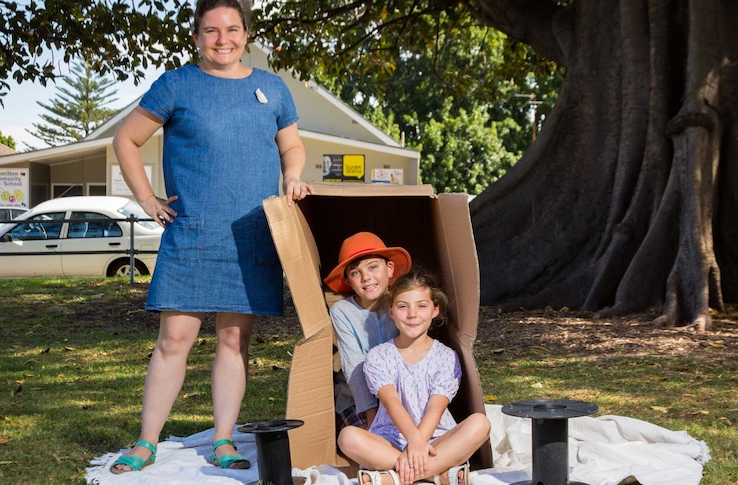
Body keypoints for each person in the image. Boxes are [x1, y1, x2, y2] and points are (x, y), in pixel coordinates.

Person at [109, 0, 314, 474]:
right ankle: (146, 442)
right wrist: (147, 200)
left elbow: (293, 145)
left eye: (232, 29)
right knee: (174, 339)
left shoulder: (272, 87)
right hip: (193, 233)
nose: (223, 39)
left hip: (252, 236)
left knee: (233, 341)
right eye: (211, 31)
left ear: (247, 33)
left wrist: (292, 176)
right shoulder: (177, 84)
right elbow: (126, 139)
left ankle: (223, 439)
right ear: (197, 36)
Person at [337, 272, 491, 485]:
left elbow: (436, 407)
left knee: (480, 424)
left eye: (421, 306)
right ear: (391, 312)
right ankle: (439, 475)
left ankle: (397, 478)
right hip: (389, 442)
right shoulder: (378, 356)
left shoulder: (445, 356)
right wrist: (413, 440)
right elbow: (391, 402)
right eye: (402, 306)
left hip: (436, 441)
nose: (412, 314)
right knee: (348, 437)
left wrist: (419, 442)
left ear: (434, 310)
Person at [323, 232, 412, 429]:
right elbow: (353, 365)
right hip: (357, 398)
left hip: (403, 393)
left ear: (389, 269)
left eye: (373, 267)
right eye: (355, 272)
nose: (366, 277)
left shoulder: (404, 303)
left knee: (407, 432)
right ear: (348, 281)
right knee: (362, 439)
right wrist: (372, 417)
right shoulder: (343, 311)